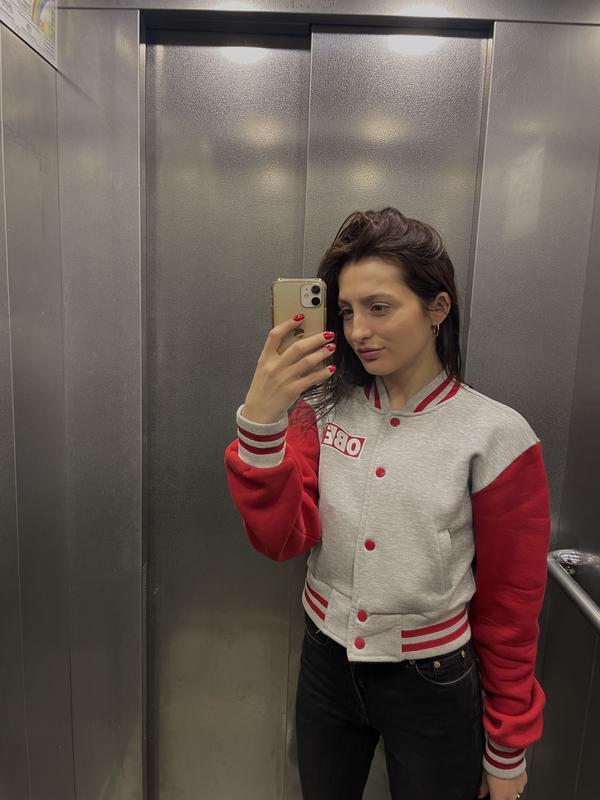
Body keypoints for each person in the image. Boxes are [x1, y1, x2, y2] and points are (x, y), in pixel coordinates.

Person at [223, 207, 551, 800]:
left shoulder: (497, 435)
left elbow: (511, 606)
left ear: (437, 308)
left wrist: (507, 749)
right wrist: (262, 423)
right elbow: (281, 540)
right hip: (325, 664)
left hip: (433, 680)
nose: (357, 332)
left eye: (379, 308)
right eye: (348, 311)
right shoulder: (321, 410)